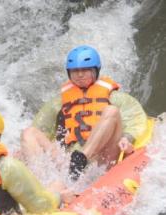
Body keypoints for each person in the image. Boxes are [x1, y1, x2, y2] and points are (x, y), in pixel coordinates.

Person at [20, 45, 148, 180]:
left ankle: (82, 158)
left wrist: (127, 139)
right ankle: (42, 184)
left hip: (102, 158)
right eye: (75, 71)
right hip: (68, 162)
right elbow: (41, 130)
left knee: (112, 111)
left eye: (85, 70)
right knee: (29, 132)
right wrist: (24, 152)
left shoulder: (116, 98)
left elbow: (136, 121)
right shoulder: (58, 103)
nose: (80, 75)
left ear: (96, 70)